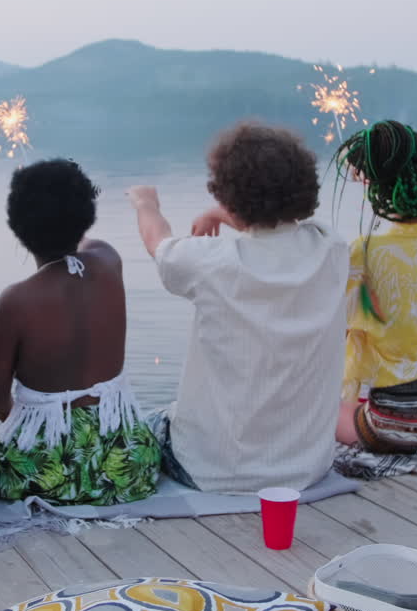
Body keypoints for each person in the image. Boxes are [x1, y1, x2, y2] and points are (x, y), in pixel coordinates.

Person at [128, 122, 348, 493]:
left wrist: (146, 203)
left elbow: (158, 242)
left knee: (145, 425)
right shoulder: (331, 248)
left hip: (212, 470)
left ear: (227, 194)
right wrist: (221, 215)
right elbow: (278, 226)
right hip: (307, 467)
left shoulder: (211, 262)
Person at [0, 159, 160, 505]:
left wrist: (39, 427)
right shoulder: (108, 260)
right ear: (85, 218)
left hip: (45, 471)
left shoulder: (16, 300)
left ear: (17, 228)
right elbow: (82, 240)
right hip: (125, 460)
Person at [330, 121, 417, 452]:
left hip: (396, 426)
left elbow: (341, 331)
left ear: (377, 190)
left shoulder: (364, 253)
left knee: (315, 406)